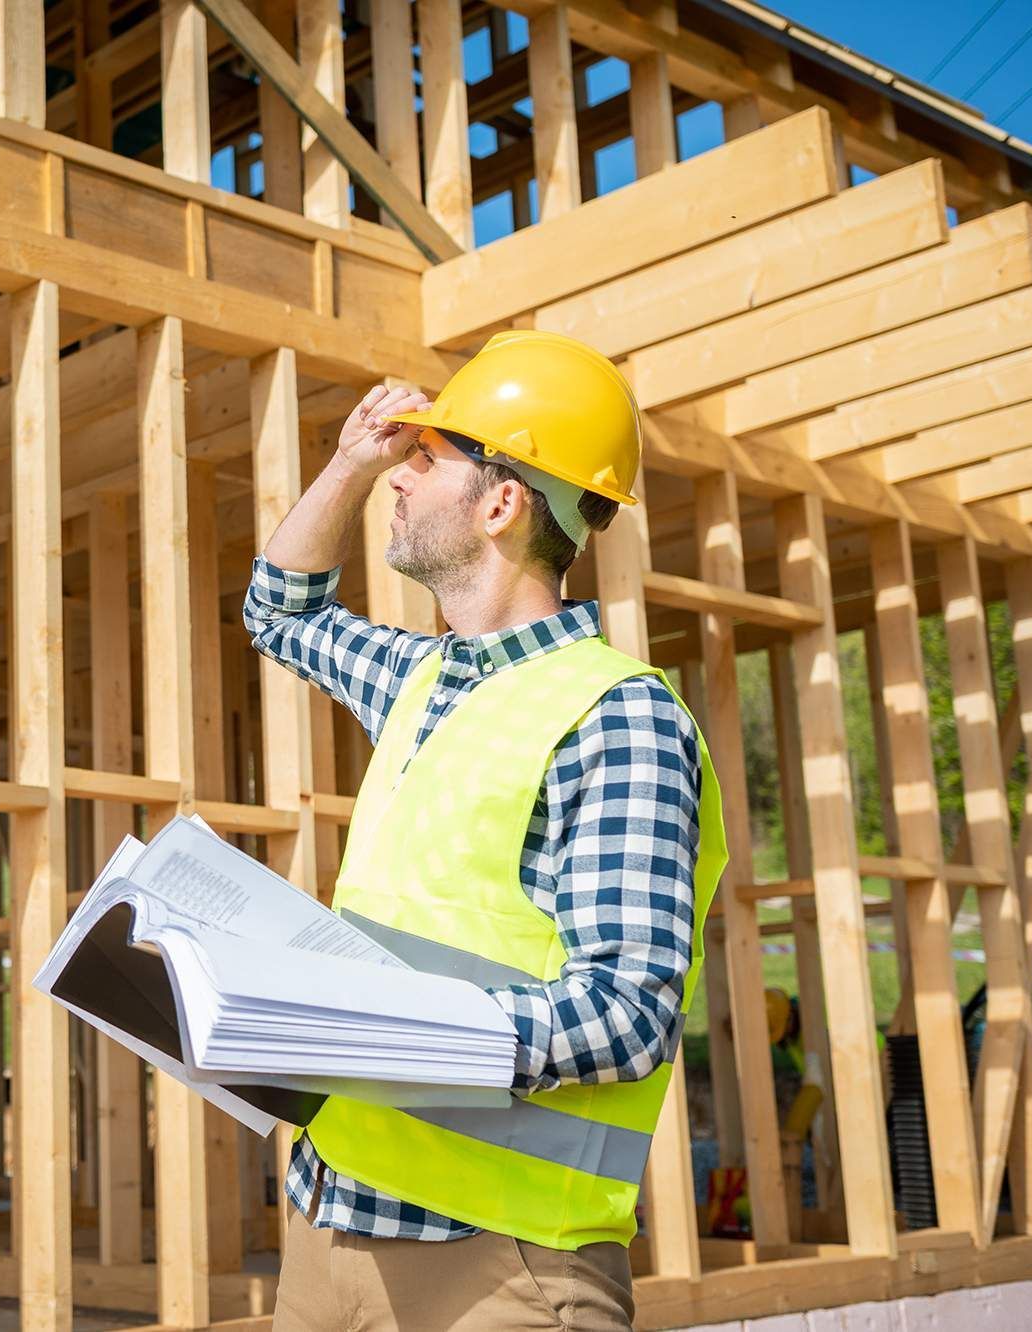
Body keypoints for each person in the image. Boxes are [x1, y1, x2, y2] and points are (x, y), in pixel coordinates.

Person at [245, 330, 728, 1331]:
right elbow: (278, 609)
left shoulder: (616, 714)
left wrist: (382, 1032)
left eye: (424, 462)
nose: (398, 477)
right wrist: (349, 461)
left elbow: (628, 1013)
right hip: (330, 1221)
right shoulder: (423, 681)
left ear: (501, 503)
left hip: (500, 1268)